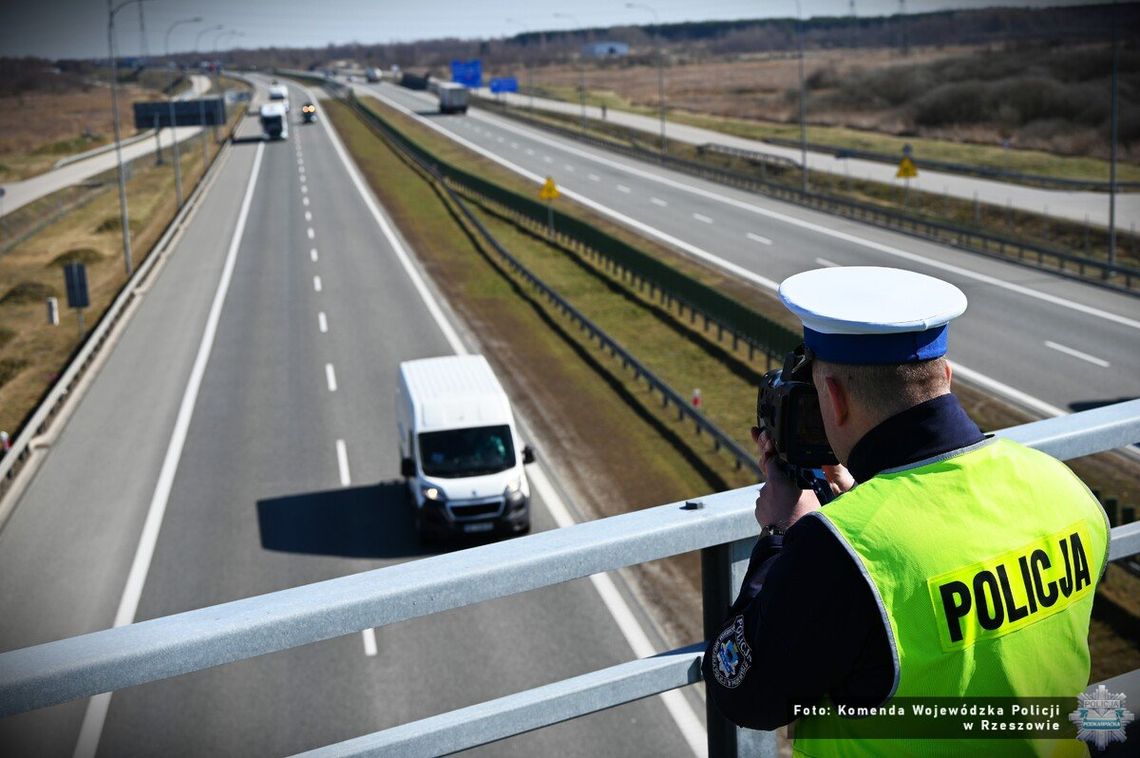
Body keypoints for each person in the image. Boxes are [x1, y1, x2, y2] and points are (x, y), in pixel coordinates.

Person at [702, 266, 1110, 756]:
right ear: (947, 376)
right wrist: (868, 495)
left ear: (832, 397)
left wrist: (779, 536)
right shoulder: (1064, 487)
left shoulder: (841, 549)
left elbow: (742, 690)